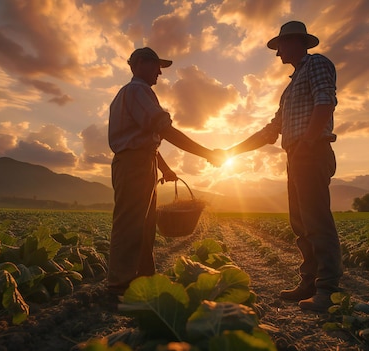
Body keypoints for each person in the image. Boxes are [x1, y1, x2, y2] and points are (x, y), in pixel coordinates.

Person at [227, 21, 342, 312]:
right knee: (300, 223)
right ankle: (309, 282)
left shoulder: (317, 64)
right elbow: (271, 131)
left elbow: (326, 102)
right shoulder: (290, 89)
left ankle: (327, 289)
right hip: (296, 156)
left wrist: (307, 142)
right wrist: (230, 152)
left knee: (316, 221)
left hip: (311, 152)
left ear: (295, 43)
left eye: (280, 46)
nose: (277, 53)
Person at [107, 47, 224, 297]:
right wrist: (206, 153)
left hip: (140, 160)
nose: (160, 71)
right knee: (130, 224)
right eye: (155, 65)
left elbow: (144, 137)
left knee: (145, 225)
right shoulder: (138, 90)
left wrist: (164, 167)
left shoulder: (129, 93)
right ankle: (119, 286)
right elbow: (165, 130)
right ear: (138, 64)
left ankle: (144, 281)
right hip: (134, 164)